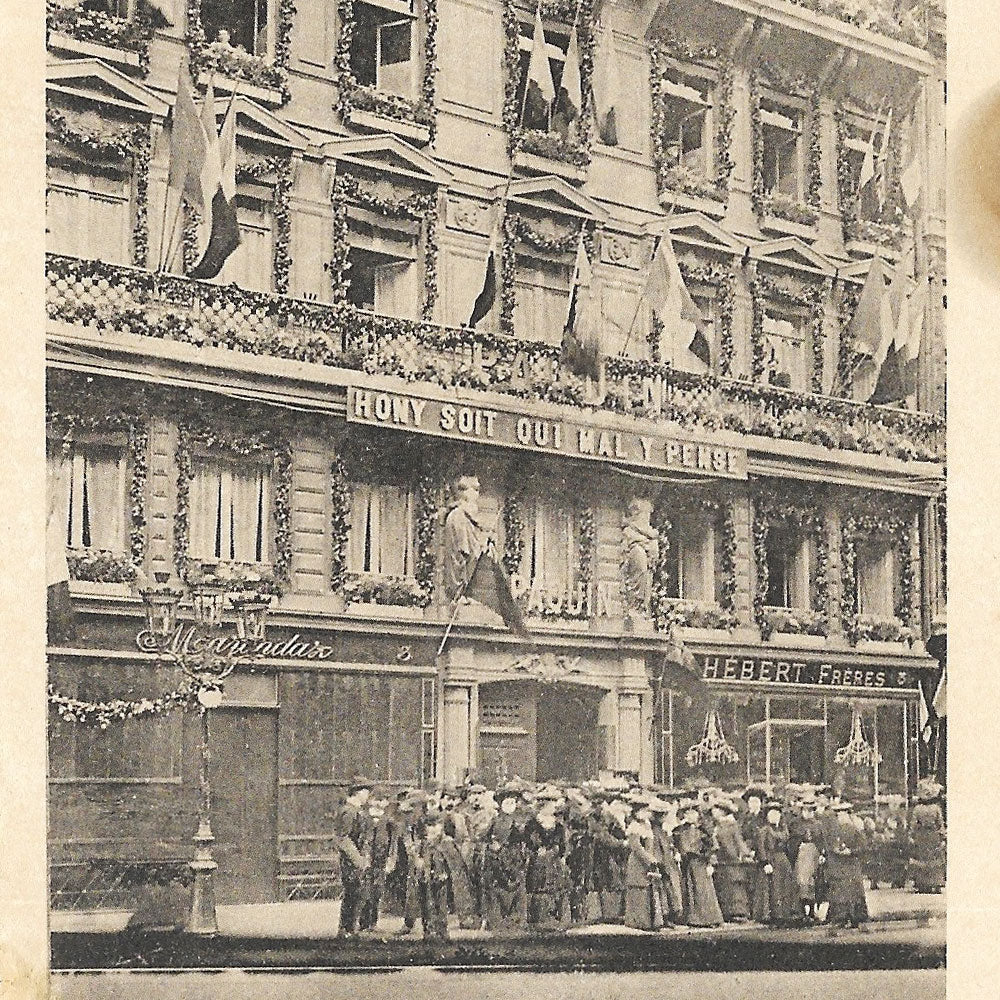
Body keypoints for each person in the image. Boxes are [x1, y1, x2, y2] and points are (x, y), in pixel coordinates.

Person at [674, 801, 723, 927]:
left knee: (703, 890)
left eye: (693, 813)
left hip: (701, 863)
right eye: (688, 813)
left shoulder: (704, 830)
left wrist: (710, 864)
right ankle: (692, 918)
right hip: (687, 864)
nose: (691, 816)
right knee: (689, 889)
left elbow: (713, 847)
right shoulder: (679, 830)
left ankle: (708, 919)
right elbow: (676, 846)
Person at [334, 781, 374, 938]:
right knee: (353, 894)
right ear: (358, 792)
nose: (368, 795)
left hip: (357, 861)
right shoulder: (349, 812)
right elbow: (343, 839)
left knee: (356, 894)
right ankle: (347, 930)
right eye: (366, 791)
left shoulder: (355, 811)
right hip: (352, 863)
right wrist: (359, 860)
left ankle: (349, 929)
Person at [751, 802, 799, 926]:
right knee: (773, 888)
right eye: (771, 814)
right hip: (771, 859)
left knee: (785, 887)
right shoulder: (764, 830)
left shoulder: (784, 829)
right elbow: (761, 847)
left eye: (777, 814)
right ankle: (774, 915)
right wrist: (765, 862)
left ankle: (785, 913)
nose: (774, 817)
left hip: (783, 860)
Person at [824, 802, 870, 928]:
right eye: (838, 815)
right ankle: (841, 918)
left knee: (854, 891)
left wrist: (851, 851)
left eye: (843, 814)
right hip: (839, 865)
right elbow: (829, 845)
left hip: (851, 865)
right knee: (840, 892)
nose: (841, 818)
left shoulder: (855, 829)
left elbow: (863, 847)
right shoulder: (834, 831)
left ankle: (856, 918)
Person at [442, 475, 487, 601]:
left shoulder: (469, 516)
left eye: (478, 490)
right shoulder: (458, 516)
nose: (477, 495)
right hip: (460, 574)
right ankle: (461, 593)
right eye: (475, 490)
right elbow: (464, 549)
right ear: (465, 493)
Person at [710, 798, 752, 922]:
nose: (714, 812)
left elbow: (739, 842)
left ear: (723, 811)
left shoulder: (732, 825)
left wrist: (745, 854)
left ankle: (738, 912)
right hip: (721, 859)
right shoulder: (716, 826)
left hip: (732, 859)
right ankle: (727, 912)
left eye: (716, 810)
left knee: (735, 886)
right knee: (724, 886)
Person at [623, 805, 663, 930]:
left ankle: (650, 921)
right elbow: (636, 848)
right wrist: (649, 859)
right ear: (637, 812)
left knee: (648, 889)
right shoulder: (634, 827)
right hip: (638, 862)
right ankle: (638, 921)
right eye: (645, 811)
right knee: (639, 887)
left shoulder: (646, 825)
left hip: (648, 861)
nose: (648, 813)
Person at [650, 799, 684, 927]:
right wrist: (661, 863)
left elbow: (668, 845)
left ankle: (669, 916)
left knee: (669, 891)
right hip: (662, 864)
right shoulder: (655, 831)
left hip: (667, 863)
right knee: (663, 892)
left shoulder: (661, 830)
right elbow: (657, 849)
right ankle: (665, 918)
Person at [909, 779, 946, 893]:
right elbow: (940, 824)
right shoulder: (936, 808)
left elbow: (913, 824)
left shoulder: (917, 809)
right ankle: (936, 883)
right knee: (934, 858)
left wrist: (911, 835)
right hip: (933, 835)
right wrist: (942, 837)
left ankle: (922, 884)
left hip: (921, 836)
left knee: (922, 858)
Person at [792, 799, 823, 922]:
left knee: (813, 881)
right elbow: (792, 838)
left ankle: (812, 911)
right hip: (801, 854)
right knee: (800, 881)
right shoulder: (795, 823)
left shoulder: (818, 824)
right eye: (805, 810)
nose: (808, 813)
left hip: (814, 853)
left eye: (810, 810)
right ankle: (801, 911)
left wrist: (822, 853)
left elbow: (821, 840)